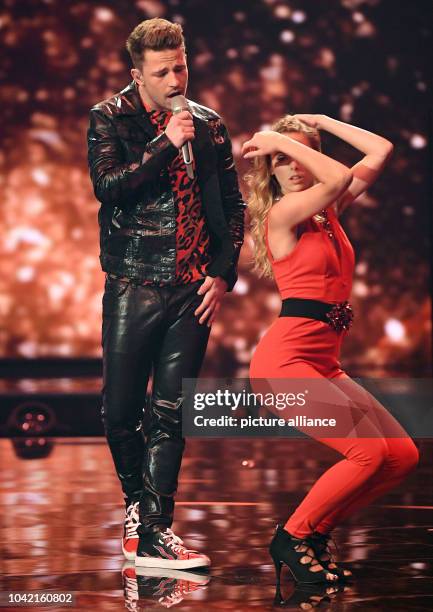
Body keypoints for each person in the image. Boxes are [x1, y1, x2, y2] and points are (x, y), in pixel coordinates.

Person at [87, 18, 245, 569]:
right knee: (120, 410)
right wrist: (162, 144)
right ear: (138, 75)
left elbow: (233, 205)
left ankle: (156, 531)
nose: (177, 78)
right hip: (134, 282)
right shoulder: (110, 117)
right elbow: (109, 188)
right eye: (164, 71)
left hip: (191, 290)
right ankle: (139, 505)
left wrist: (223, 274)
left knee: (172, 412)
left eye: (181, 65)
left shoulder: (209, 124)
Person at [243, 114, 419, 585]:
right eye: (281, 159)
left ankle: (316, 533)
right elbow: (338, 174)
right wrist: (280, 138)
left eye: (302, 154)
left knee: (401, 455)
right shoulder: (282, 215)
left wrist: (318, 121)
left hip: (323, 364)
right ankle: (293, 535)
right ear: (272, 171)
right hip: (284, 365)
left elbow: (380, 149)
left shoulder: (329, 211)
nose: (294, 165)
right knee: (366, 453)